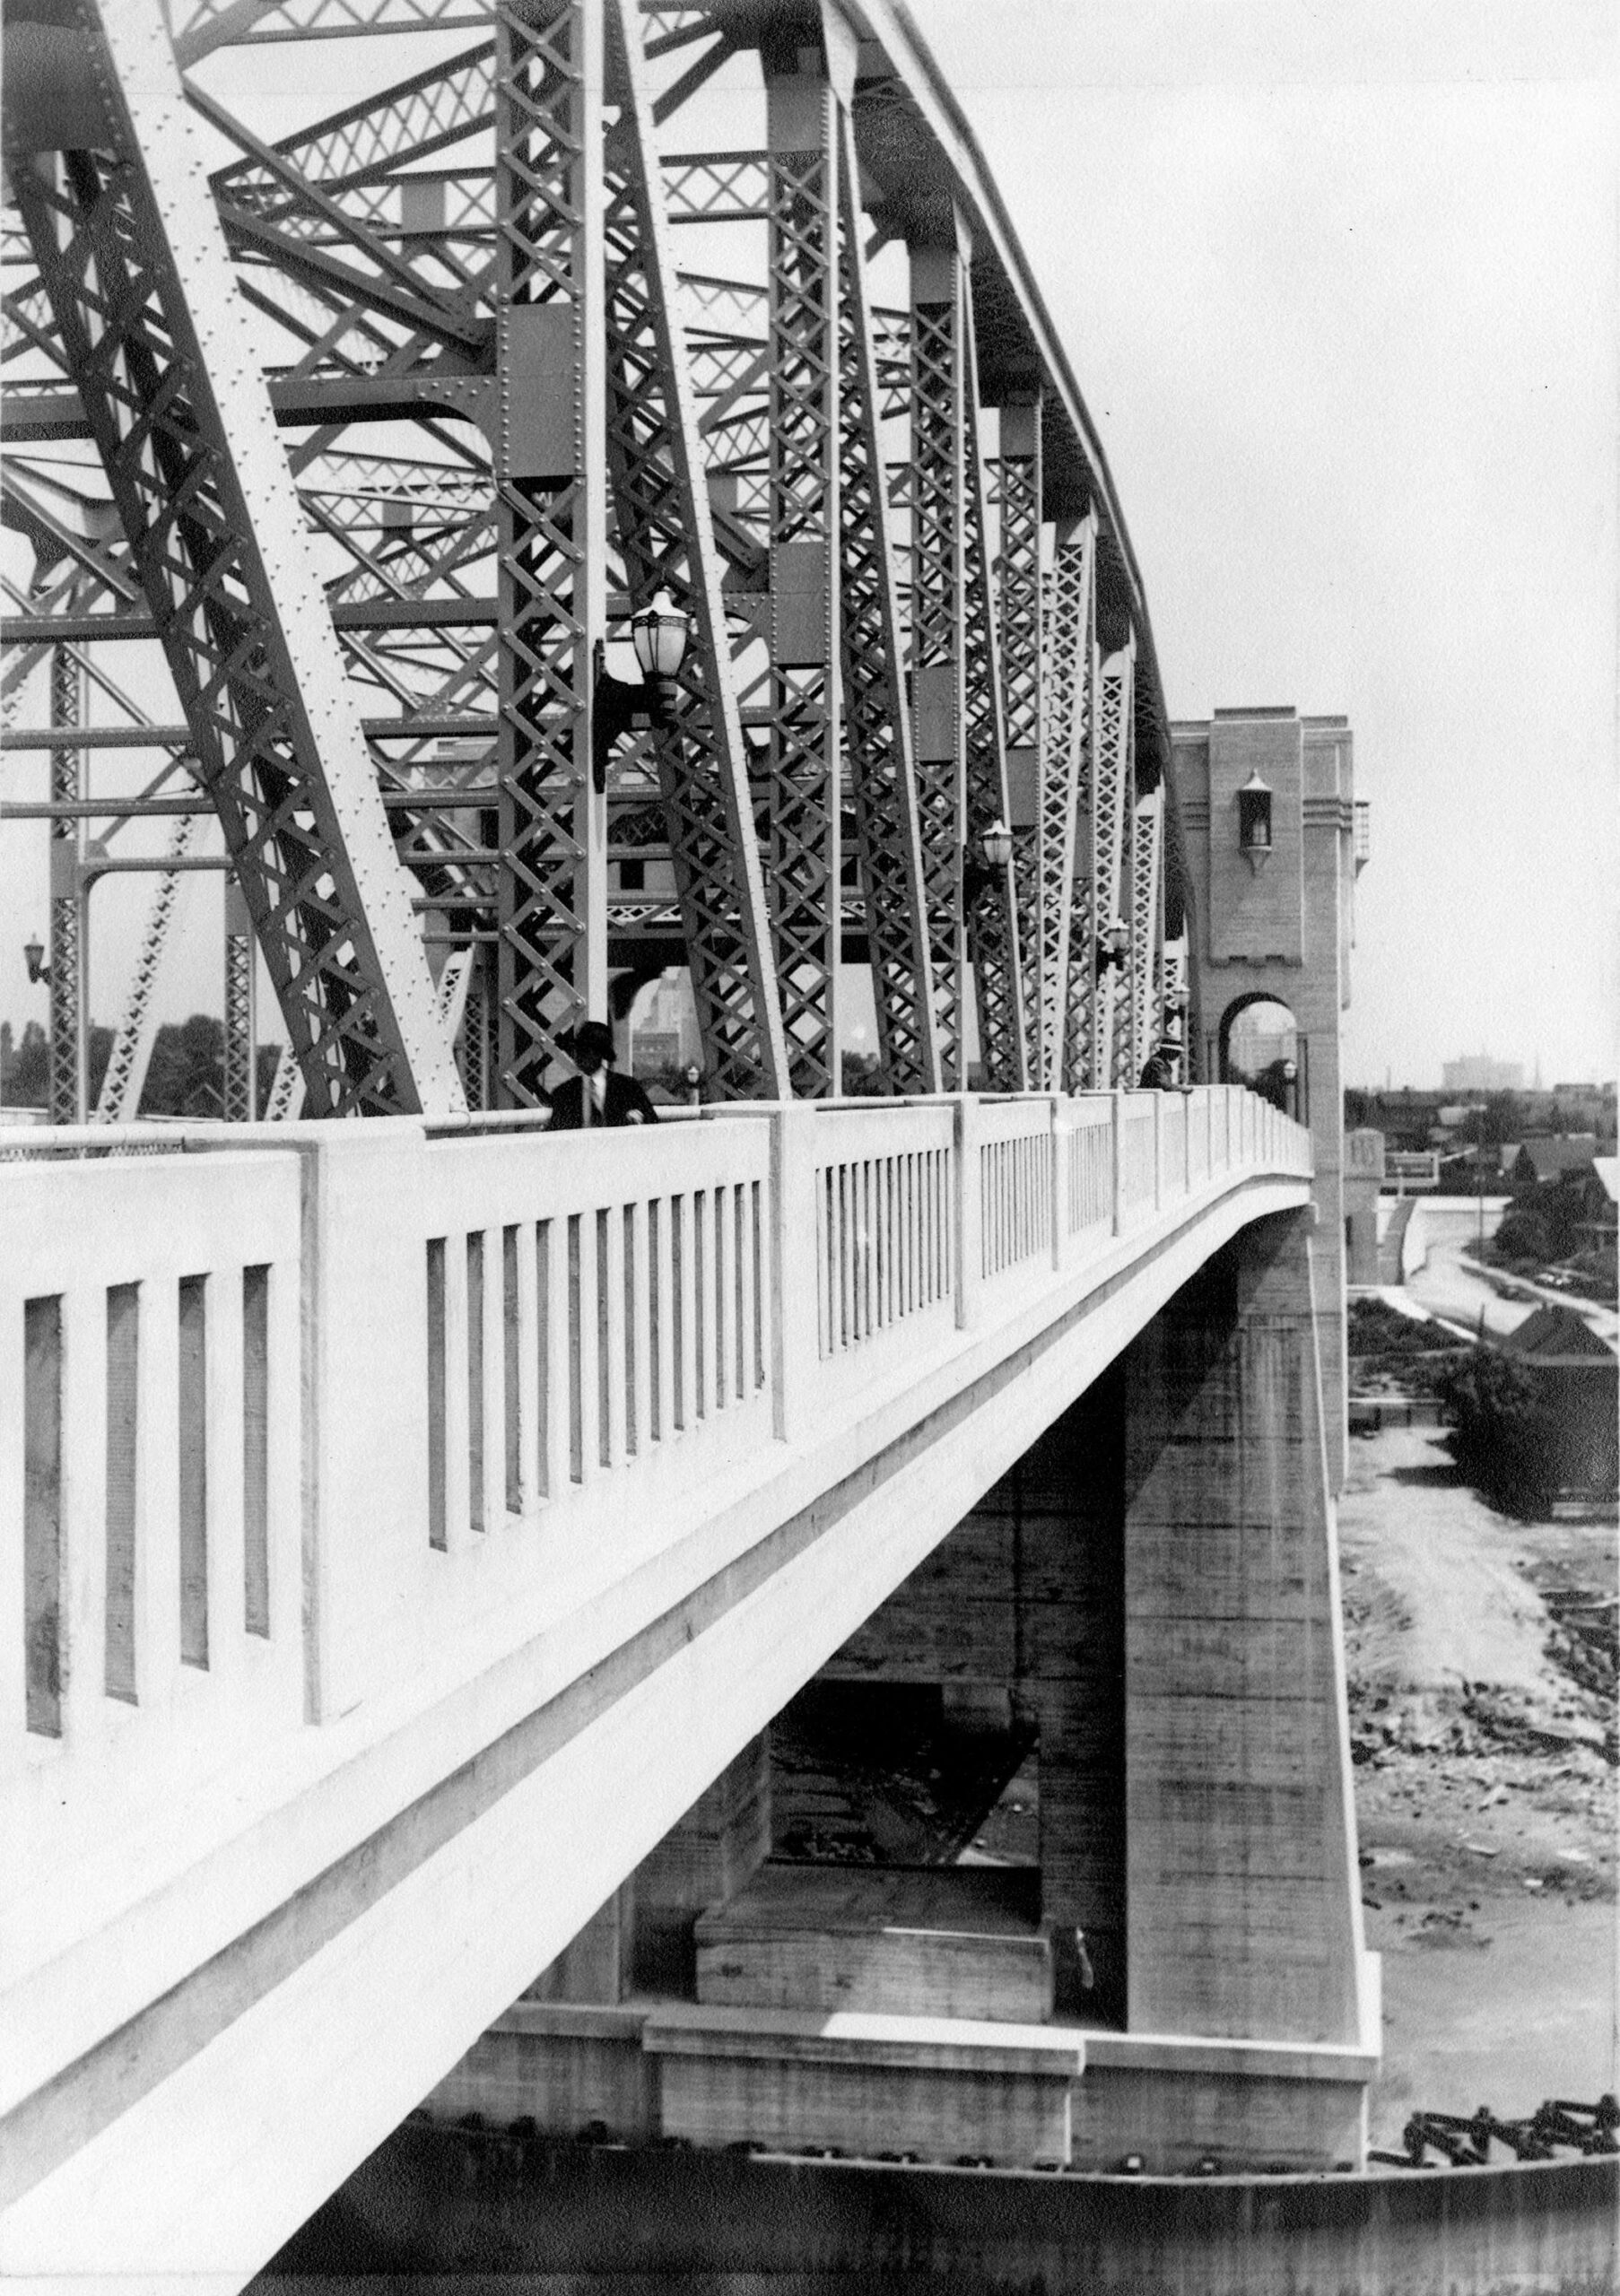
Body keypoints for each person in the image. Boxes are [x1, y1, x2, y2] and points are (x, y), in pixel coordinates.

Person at [546, 1019, 659, 1129]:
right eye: (578, 1049)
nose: (580, 1055)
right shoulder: (564, 1093)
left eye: (587, 1050)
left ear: (601, 1053)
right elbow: (555, 1136)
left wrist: (638, 1121)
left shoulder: (628, 1087)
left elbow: (653, 1126)